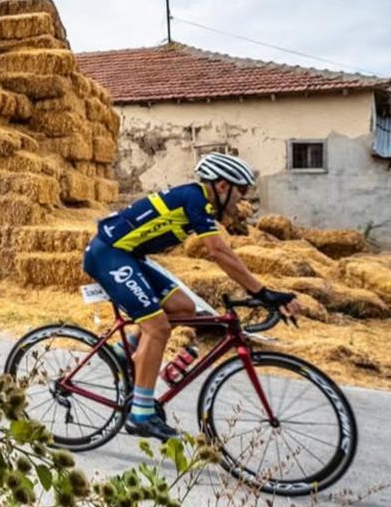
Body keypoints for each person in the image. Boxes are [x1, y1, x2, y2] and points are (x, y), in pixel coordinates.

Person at [82, 152, 302, 440]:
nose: (243, 200)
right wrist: (262, 292)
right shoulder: (195, 198)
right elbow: (218, 251)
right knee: (158, 327)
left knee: (184, 307)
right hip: (108, 254)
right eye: (242, 191)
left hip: (130, 256)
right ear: (222, 186)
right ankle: (141, 414)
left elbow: (221, 249)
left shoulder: (200, 203)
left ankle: (125, 353)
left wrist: (261, 291)